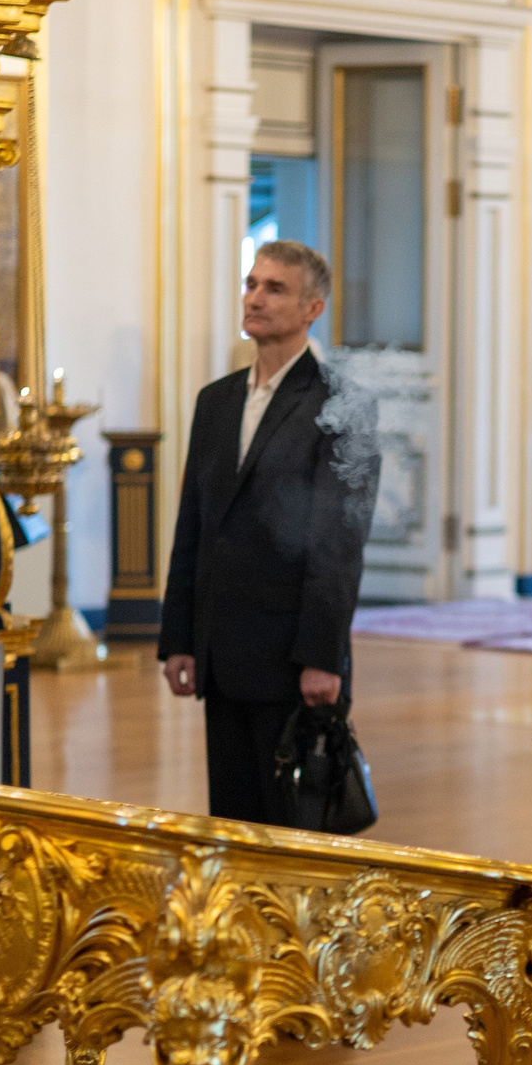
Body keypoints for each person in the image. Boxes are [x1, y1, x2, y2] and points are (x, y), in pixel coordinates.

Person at [159, 243, 381, 822]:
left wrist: (322, 657)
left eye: (274, 288)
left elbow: (339, 545)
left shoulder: (345, 405)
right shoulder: (216, 401)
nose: (254, 298)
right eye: (251, 284)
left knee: (295, 831)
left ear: (313, 308)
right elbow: (194, 523)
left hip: (292, 656)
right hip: (224, 651)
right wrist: (180, 637)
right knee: (233, 824)